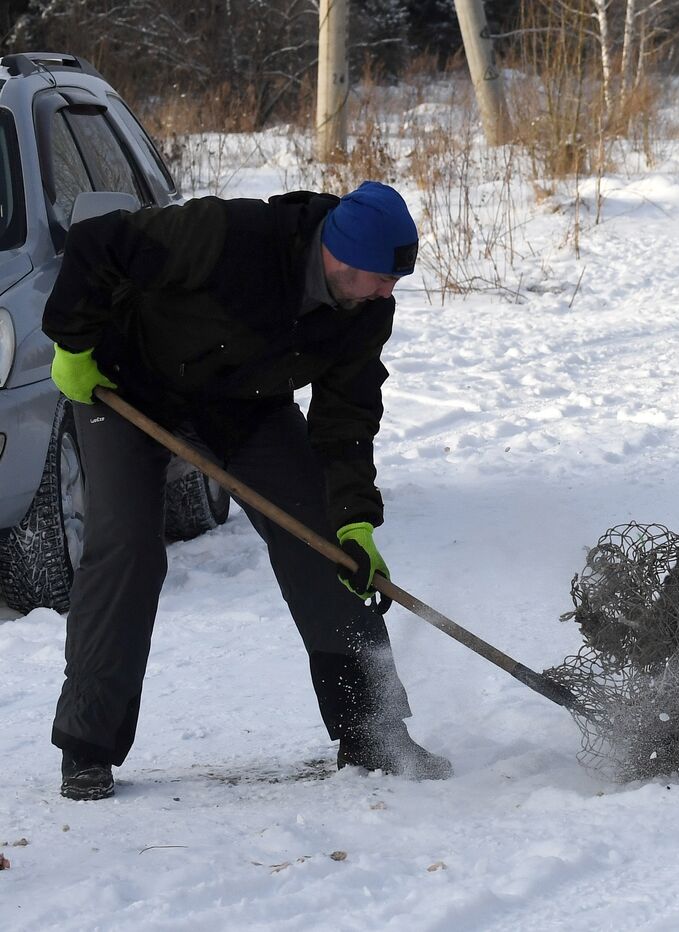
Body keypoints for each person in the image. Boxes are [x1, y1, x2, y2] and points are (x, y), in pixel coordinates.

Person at [42, 181, 452, 800]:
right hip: (124, 386)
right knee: (127, 546)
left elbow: (346, 418)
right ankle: (87, 746)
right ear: (338, 255)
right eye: (380, 277)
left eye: (396, 280)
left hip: (242, 406)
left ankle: (373, 731)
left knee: (323, 544)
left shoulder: (364, 312)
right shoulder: (230, 236)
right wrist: (73, 344)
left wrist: (354, 520)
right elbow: (100, 243)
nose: (389, 293)